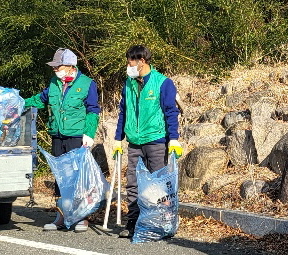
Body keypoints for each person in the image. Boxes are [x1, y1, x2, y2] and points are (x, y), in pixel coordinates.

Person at [24, 48, 101, 232]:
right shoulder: (54, 83)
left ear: (70, 66)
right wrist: (20, 103)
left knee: (78, 177)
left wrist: (89, 134)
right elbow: (40, 100)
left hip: (77, 137)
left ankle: (82, 216)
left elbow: (93, 110)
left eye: (58, 66)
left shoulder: (87, 84)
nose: (55, 70)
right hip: (57, 135)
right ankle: (62, 215)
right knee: (61, 176)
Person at [112, 44, 182, 238]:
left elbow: (171, 112)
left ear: (141, 61)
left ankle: (162, 223)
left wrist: (173, 139)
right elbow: (123, 112)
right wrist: (118, 139)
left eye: (130, 62)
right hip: (134, 141)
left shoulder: (162, 83)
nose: (128, 66)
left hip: (156, 140)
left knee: (158, 184)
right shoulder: (129, 83)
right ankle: (133, 223)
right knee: (133, 184)